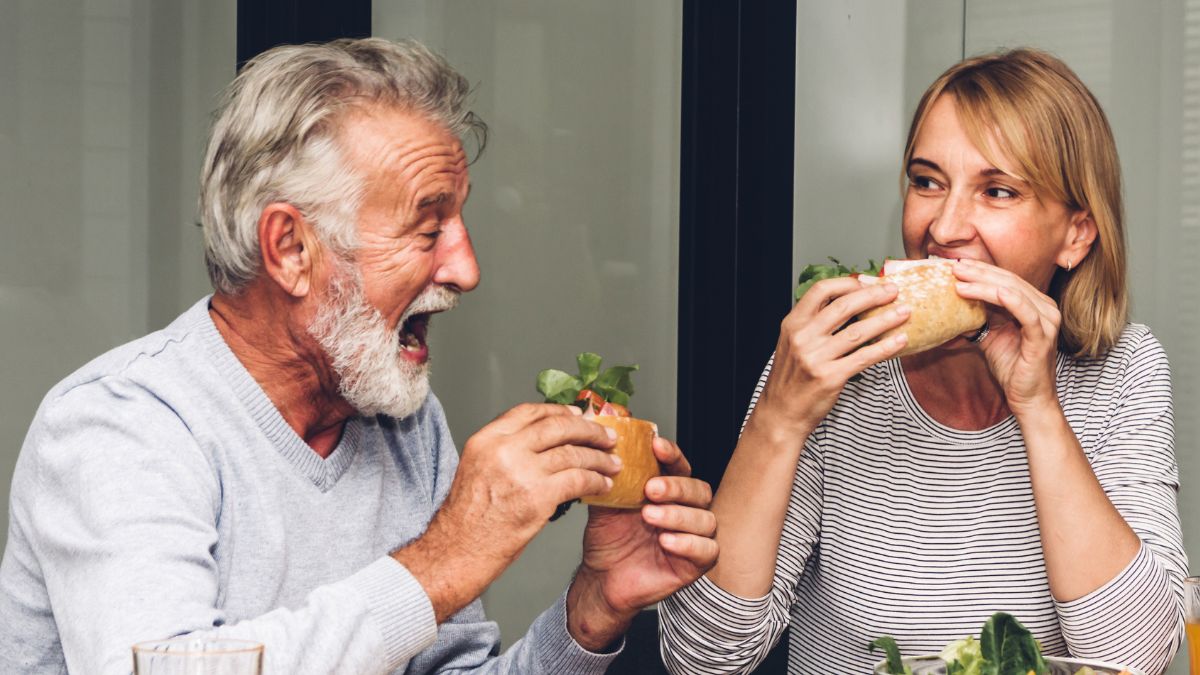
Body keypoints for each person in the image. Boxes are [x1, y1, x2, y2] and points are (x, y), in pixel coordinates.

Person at [0, 37, 718, 674]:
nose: (465, 268)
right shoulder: (118, 427)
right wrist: (446, 558)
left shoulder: (404, 421)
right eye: (427, 226)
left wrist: (589, 614)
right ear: (289, 249)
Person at [659, 48, 1185, 675]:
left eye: (996, 191)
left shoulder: (1124, 368)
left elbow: (1141, 656)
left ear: (1075, 235)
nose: (944, 227)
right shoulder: (835, 366)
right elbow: (703, 658)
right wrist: (779, 418)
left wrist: (1038, 409)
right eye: (927, 181)